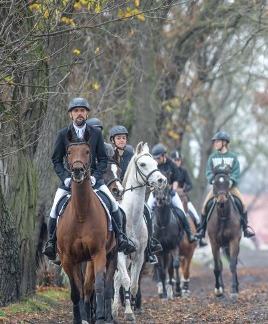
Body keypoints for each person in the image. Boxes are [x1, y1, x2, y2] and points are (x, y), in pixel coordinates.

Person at [42, 98, 136, 265]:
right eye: (76, 110)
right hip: (69, 181)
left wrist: (96, 176)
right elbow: (56, 160)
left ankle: (121, 238)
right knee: (55, 208)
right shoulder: (63, 134)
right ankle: (51, 243)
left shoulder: (96, 133)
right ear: (71, 114)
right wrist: (65, 178)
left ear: (87, 113)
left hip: (94, 180)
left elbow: (102, 159)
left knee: (114, 206)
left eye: (82, 110)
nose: (79, 113)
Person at [109, 124, 162, 265]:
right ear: (112, 140)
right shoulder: (109, 154)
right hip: (114, 193)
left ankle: (149, 246)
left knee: (147, 212)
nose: (122, 140)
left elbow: (139, 173)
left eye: (124, 138)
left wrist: (148, 181)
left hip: (129, 194)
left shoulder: (132, 154)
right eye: (118, 138)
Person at [195, 131, 255, 239]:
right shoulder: (212, 157)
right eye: (215, 142)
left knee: (243, 205)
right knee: (204, 206)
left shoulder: (233, 157)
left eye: (217, 141)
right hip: (217, 189)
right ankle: (202, 230)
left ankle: (245, 228)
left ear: (224, 143)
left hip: (231, 188)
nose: (215, 144)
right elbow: (208, 172)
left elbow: (236, 172)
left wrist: (231, 181)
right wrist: (212, 180)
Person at [148, 144, 198, 244]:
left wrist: (174, 189)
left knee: (182, 213)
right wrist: (153, 189)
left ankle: (189, 235)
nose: (156, 160)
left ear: (164, 156)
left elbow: (177, 178)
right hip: (156, 193)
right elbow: (149, 180)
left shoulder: (171, 165)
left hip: (170, 193)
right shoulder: (153, 165)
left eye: (158, 158)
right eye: (155, 158)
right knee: (147, 211)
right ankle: (147, 238)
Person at [170, 150, 207, 246]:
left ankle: (200, 239)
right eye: (175, 160)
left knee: (196, 217)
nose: (176, 162)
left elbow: (190, 185)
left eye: (178, 160)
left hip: (184, 198)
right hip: (169, 197)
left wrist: (184, 189)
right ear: (171, 160)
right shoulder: (168, 171)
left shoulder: (184, 171)